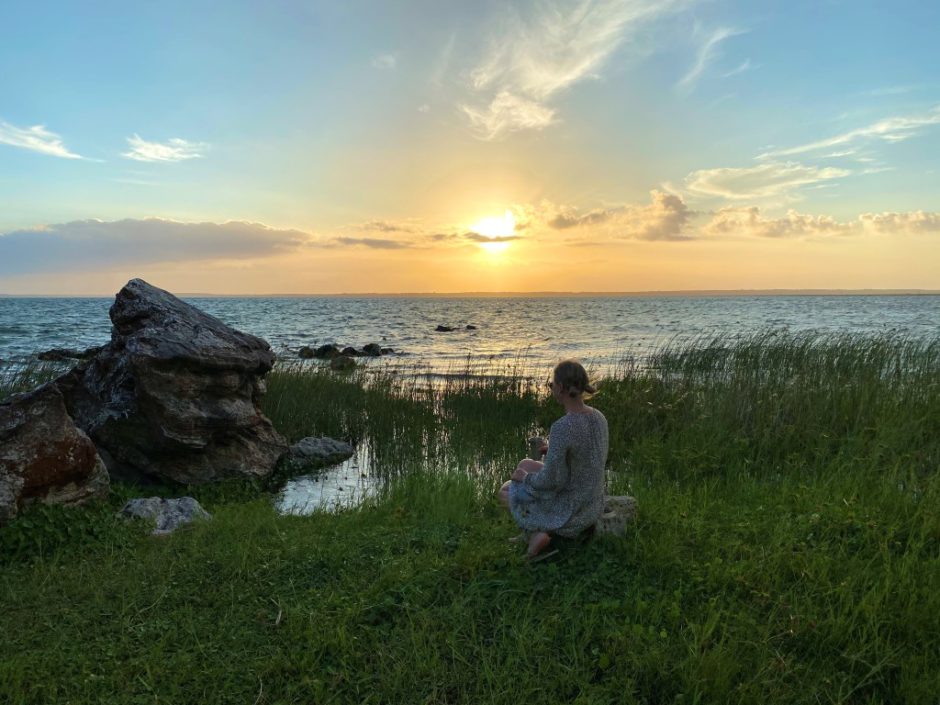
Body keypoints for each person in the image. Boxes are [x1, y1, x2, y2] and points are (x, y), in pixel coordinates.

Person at [498, 359, 609, 559]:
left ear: (560, 388)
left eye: (551, 385)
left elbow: (552, 480)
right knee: (525, 463)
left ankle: (536, 535)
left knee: (506, 491)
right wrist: (554, 450)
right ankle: (529, 532)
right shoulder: (599, 417)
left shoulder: (562, 427)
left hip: (573, 510)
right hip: (593, 501)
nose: (551, 388)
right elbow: (588, 454)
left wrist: (525, 478)